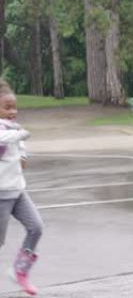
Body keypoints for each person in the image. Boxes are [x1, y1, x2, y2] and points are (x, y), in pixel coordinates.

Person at [0, 79, 43, 296]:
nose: (13, 111)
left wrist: (23, 152)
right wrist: (20, 135)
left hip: (17, 191)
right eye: (7, 107)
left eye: (14, 107)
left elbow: (21, 150)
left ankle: (20, 272)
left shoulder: (14, 128)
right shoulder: (7, 131)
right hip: (0, 194)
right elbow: (5, 138)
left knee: (36, 227)